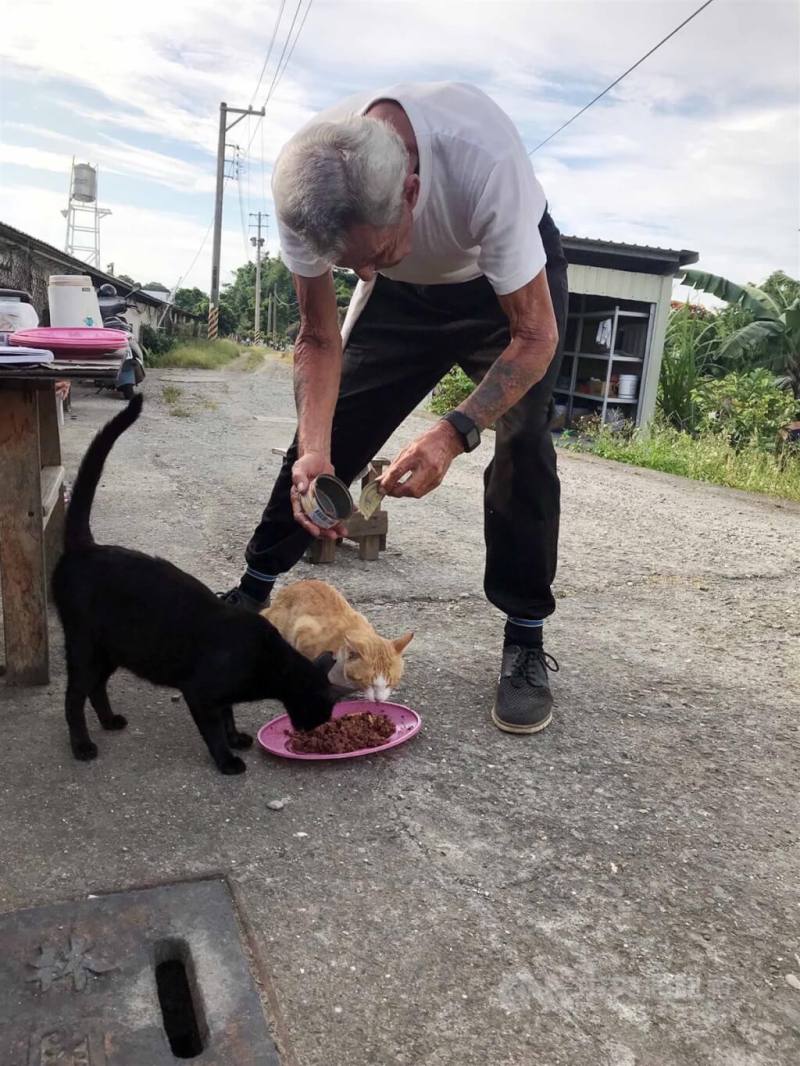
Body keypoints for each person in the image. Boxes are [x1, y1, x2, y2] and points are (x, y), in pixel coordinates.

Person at [222, 82, 568, 734]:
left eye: (371, 257)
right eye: (348, 266)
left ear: (411, 190)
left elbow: (536, 338)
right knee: (331, 430)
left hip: (501, 289)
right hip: (409, 300)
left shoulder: (482, 165)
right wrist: (316, 450)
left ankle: (524, 637)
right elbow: (318, 337)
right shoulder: (308, 188)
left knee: (525, 440)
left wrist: (453, 432)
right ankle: (256, 585)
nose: (362, 276)